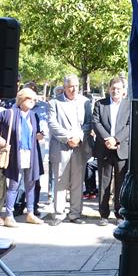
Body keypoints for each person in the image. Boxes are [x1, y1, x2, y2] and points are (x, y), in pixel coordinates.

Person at [0, 87, 47, 227]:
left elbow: (35, 133)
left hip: (30, 154)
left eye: (34, 99)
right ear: (21, 99)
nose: (33, 102)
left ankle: (30, 213)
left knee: (31, 184)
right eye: (29, 99)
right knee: (14, 184)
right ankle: (9, 215)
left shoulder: (33, 115)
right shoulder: (10, 113)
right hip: (15, 154)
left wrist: (40, 135)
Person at [47, 75, 91, 225]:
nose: (74, 89)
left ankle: (75, 214)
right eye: (71, 86)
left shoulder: (85, 102)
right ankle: (59, 214)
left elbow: (88, 123)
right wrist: (68, 138)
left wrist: (78, 137)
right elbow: (52, 124)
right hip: (61, 147)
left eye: (76, 86)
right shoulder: (54, 103)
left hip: (79, 147)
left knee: (77, 182)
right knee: (60, 181)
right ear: (64, 87)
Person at [91, 77, 131, 226]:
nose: (116, 91)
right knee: (104, 182)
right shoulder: (100, 104)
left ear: (123, 91)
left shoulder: (129, 105)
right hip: (104, 148)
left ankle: (120, 214)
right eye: (113, 88)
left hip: (121, 149)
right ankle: (103, 214)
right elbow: (95, 123)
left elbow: (129, 125)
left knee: (121, 183)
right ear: (109, 89)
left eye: (119, 89)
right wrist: (108, 139)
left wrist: (116, 139)